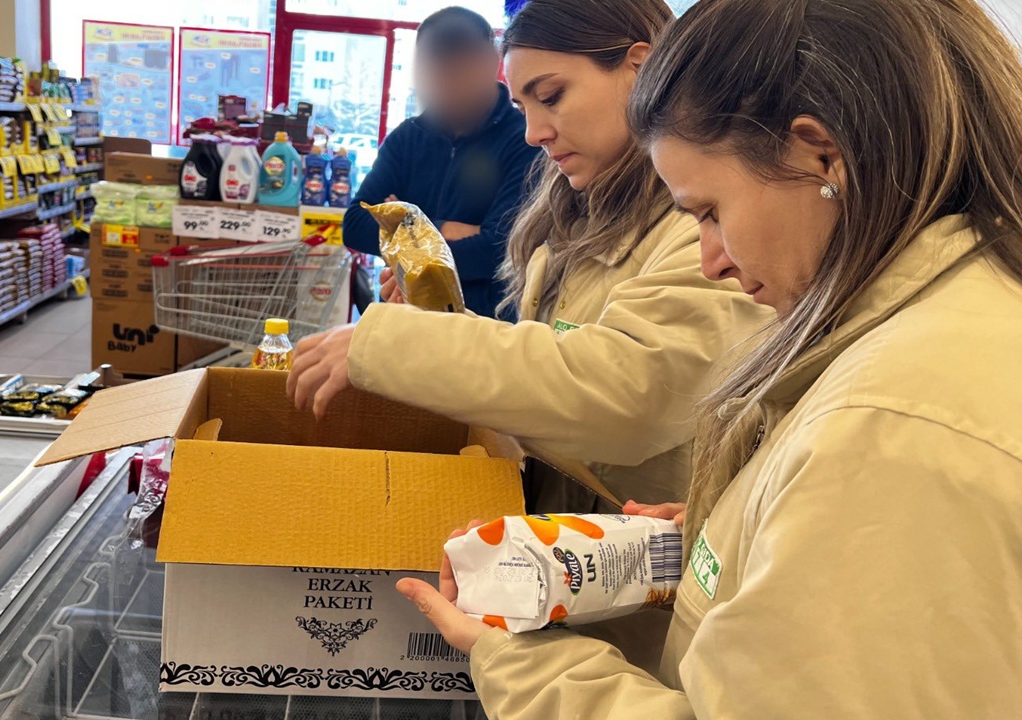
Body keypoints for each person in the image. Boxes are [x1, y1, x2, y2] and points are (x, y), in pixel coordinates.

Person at [399, 0, 1022, 716]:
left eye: (710, 212)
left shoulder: (896, 425)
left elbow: (627, 388)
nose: (712, 261)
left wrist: (510, 659)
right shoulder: (942, 334)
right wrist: (729, 530)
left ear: (820, 156)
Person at [291, 0, 769, 511]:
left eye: (551, 96)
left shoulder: (703, 225)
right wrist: (441, 327)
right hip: (573, 546)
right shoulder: (570, 217)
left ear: (640, 68)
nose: (533, 133)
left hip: (644, 562)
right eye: (524, 109)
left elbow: (625, 395)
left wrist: (400, 346)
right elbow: (552, 364)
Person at [340, 6, 541, 318]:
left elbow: (499, 250)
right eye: (434, 73)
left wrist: (402, 229)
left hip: (486, 329)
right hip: (404, 319)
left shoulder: (526, 139)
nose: (445, 87)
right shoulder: (407, 137)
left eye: (458, 72)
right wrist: (443, 229)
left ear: (491, 63)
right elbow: (355, 225)